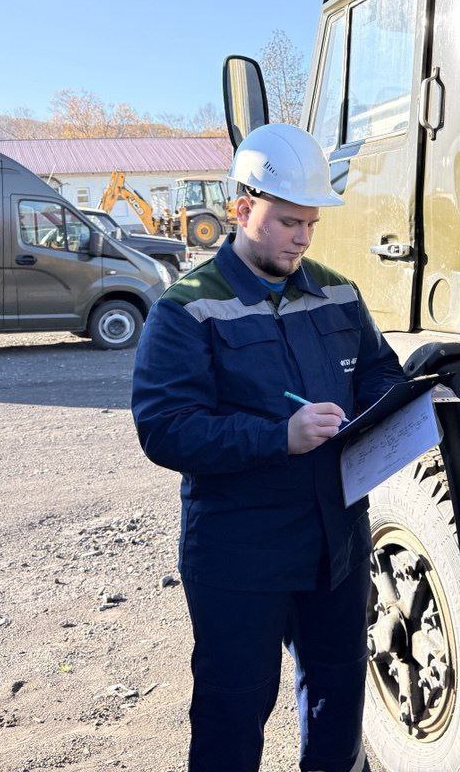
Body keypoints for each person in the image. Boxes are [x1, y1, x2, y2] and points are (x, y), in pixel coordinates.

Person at [132, 122, 405, 772]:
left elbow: (379, 371)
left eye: (311, 223)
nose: (303, 238)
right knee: (233, 711)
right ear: (241, 208)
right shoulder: (187, 309)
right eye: (287, 222)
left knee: (338, 698)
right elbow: (165, 427)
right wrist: (279, 436)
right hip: (240, 551)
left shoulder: (338, 292)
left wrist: (391, 409)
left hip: (335, 544)